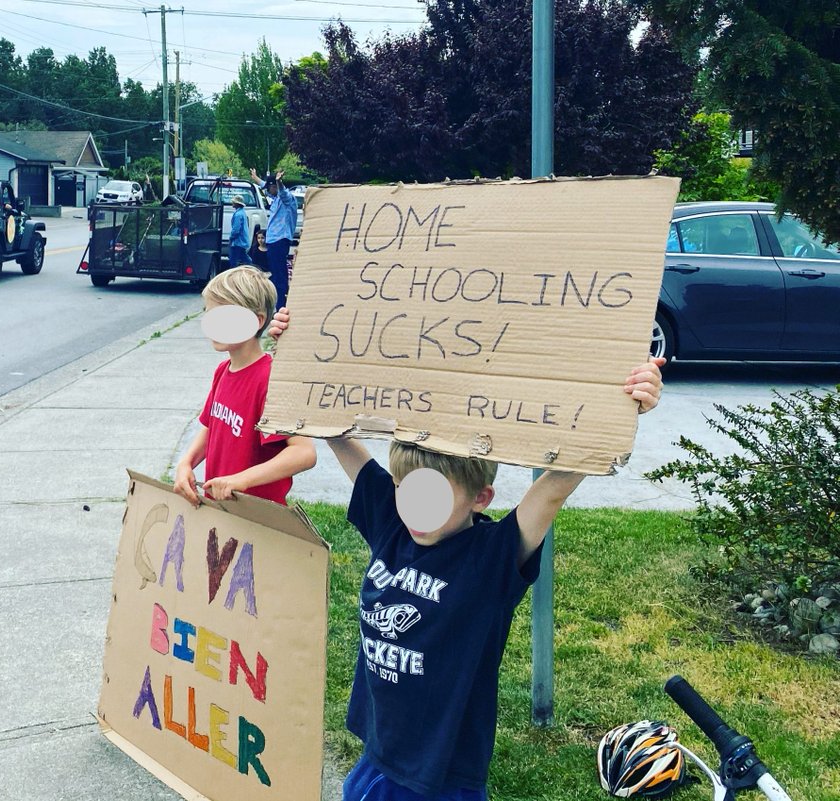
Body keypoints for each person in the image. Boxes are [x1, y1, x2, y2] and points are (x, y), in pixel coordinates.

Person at [268, 309, 664, 800]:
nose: (412, 503)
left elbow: (553, 491)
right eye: (401, 486)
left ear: (480, 499)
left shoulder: (491, 559)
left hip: (440, 775)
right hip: (378, 753)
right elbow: (335, 432)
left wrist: (621, 411)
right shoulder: (392, 521)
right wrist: (299, 352)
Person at [173, 268, 316, 507]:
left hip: (256, 517)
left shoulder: (269, 379)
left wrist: (242, 480)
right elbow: (211, 427)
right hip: (222, 508)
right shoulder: (222, 371)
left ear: (257, 321)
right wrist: (186, 462)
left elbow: (304, 453)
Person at [251, 167, 296, 310]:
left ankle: (281, 305)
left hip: (280, 240)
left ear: (274, 187)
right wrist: (255, 178)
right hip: (273, 240)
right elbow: (265, 185)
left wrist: (279, 182)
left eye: (270, 188)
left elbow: (283, 192)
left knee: (279, 274)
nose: (268, 192)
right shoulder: (275, 198)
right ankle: (278, 302)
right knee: (275, 273)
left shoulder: (287, 199)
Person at [228, 194, 252, 266]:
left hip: (238, 242)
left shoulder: (238, 214)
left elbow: (236, 229)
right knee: (243, 257)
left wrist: (231, 238)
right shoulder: (242, 213)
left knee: (233, 260)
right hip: (241, 241)